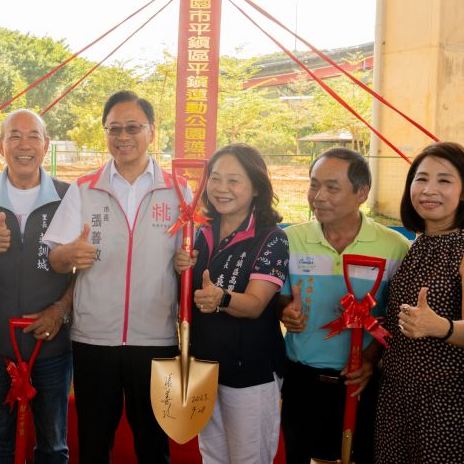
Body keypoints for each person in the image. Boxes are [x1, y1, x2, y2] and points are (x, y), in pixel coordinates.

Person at [44, 90, 182, 464]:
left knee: (154, 445)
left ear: (152, 131)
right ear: (105, 133)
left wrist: (190, 261)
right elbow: (54, 257)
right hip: (94, 339)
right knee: (93, 442)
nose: (123, 136)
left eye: (133, 127)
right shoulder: (85, 188)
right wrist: (67, 255)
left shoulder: (179, 191)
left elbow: (193, 261)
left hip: (157, 339)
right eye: (114, 128)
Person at [279, 147, 410, 463]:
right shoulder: (289, 240)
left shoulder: (395, 247)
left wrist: (370, 357)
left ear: (361, 192)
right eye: (314, 184)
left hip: (361, 382)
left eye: (332, 187)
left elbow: (398, 317)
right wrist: (283, 309)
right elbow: (276, 295)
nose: (318, 196)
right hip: (302, 379)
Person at [0, 109, 73, 464]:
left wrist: (60, 310)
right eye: (14, 136)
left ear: (46, 145)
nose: (24, 145)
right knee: (1, 448)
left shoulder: (68, 197)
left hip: (51, 348)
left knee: (53, 446)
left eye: (33, 136)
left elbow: (85, 270)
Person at [173, 144, 289, 463]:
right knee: (212, 455)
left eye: (234, 180)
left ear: (256, 188)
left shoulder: (271, 238)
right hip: (204, 366)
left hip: (250, 371)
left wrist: (220, 298)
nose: (221, 189)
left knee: (249, 457)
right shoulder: (200, 232)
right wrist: (180, 266)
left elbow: (255, 304)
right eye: (216, 178)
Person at [374, 142, 464, 463]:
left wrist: (440, 327)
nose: (429, 190)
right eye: (421, 179)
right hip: (396, 395)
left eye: (444, 180)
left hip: (445, 405)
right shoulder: (417, 244)